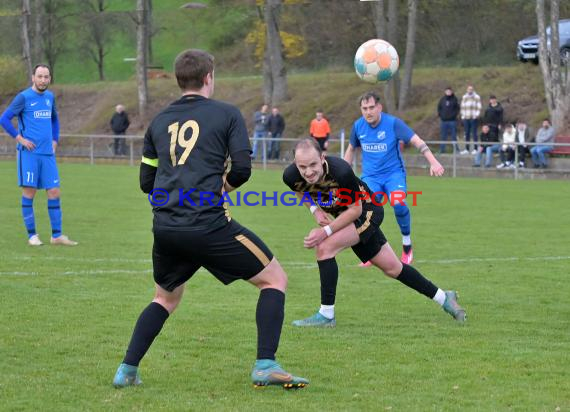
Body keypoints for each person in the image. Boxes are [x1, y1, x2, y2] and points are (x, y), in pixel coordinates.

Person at [112, 49, 307, 390]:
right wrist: (221, 188)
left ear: (178, 79)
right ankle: (265, 364)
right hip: (208, 224)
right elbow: (243, 170)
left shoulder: (158, 121)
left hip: (167, 227)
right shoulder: (227, 114)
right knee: (275, 279)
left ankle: (127, 370)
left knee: (165, 299)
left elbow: (146, 182)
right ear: (208, 78)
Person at [283, 138, 466, 328]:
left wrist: (326, 231)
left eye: (313, 164)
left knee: (324, 247)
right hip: (346, 216)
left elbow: (355, 210)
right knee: (393, 268)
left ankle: (326, 315)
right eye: (302, 167)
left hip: (367, 211)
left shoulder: (341, 171)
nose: (308, 172)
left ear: (322, 158)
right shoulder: (291, 175)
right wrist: (315, 210)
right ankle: (444, 297)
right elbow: (299, 189)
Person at [343, 91, 444, 266]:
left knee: (398, 203)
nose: (368, 112)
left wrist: (433, 162)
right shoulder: (358, 126)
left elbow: (417, 141)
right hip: (370, 177)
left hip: (393, 175)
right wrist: (343, 174)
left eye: (372, 107)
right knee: (365, 212)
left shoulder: (393, 124)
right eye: (364, 108)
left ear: (379, 107)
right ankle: (371, 253)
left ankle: (407, 245)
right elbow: (351, 148)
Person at [0, 64, 78, 246]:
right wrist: (19, 138)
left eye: (46, 77)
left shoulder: (50, 97)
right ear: (33, 77)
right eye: (40, 76)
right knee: (29, 192)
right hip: (29, 154)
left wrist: (55, 140)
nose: (43, 80)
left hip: (47, 154)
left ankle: (56, 236)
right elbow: (4, 119)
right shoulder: (24, 97)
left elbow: (54, 119)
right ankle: (32, 236)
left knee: (54, 191)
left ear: (50, 78)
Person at [460, 85, 482, 155]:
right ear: (467, 90)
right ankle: (466, 148)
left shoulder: (476, 97)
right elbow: (462, 107)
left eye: (471, 89)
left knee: (474, 133)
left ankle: (475, 148)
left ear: (473, 90)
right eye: (469, 89)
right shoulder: (464, 97)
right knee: (467, 134)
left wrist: (476, 115)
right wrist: (463, 116)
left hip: (473, 118)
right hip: (466, 118)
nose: (470, 90)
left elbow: (479, 107)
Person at [436, 86, 460, 153]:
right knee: (443, 136)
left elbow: (457, 109)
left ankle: (456, 150)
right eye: (447, 91)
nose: (448, 92)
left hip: (452, 121)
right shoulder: (442, 99)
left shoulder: (454, 99)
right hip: (443, 121)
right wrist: (441, 115)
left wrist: (453, 115)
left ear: (451, 92)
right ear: (445, 92)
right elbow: (439, 108)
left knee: (453, 136)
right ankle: (442, 150)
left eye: (450, 91)